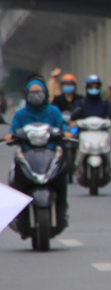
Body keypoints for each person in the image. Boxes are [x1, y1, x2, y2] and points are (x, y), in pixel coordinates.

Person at [5, 76, 70, 228]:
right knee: (16, 179)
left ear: (46, 93)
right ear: (26, 95)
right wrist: (10, 136)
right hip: (27, 154)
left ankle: (62, 212)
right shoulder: (21, 114)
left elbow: (62, 128)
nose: (35, 95)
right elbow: (13, 130)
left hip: (50, 152)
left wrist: (66, 133)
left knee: (61, 180)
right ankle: (18, 218)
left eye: (39, 92)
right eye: (32, 93)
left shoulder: (53, 111)